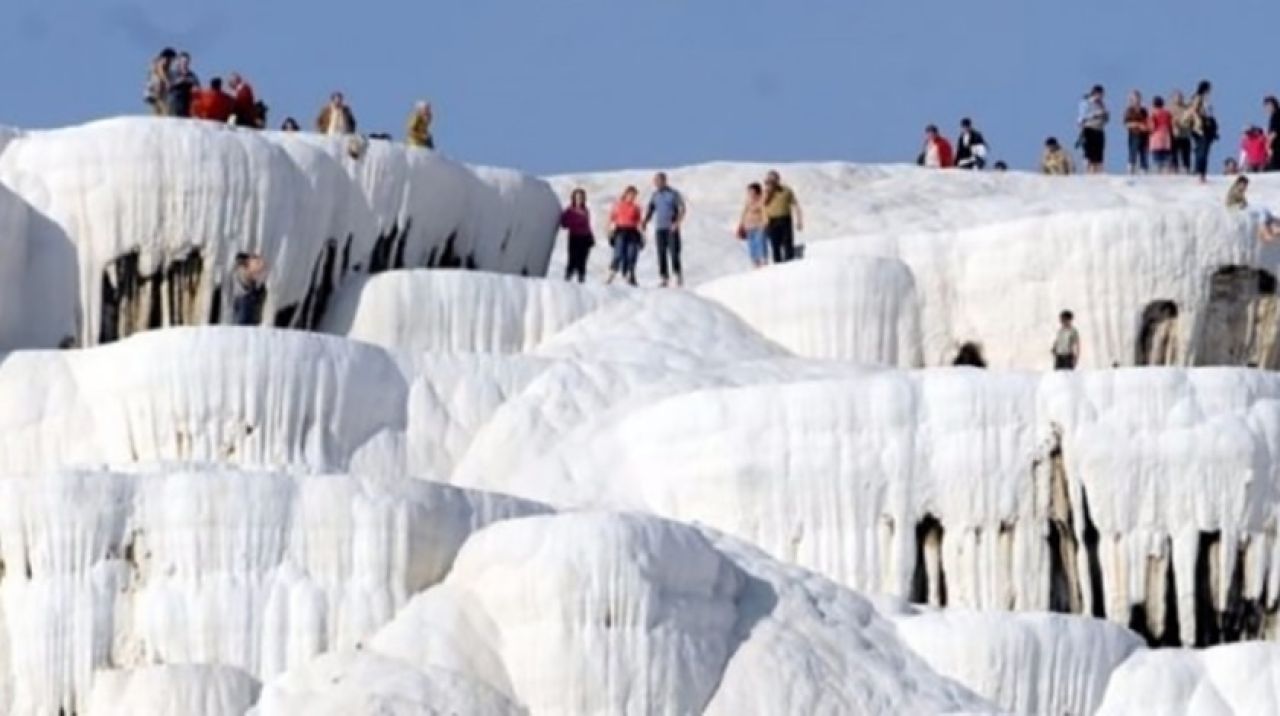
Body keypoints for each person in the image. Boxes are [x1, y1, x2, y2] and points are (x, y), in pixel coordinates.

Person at [641, 172, 687, 287]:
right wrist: (645, 222)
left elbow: (682, 209)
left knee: (674, 252)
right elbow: (650, 209)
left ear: (665, 181)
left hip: (671, 227)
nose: (657, 183)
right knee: (661, 253)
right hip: (660, 228)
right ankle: (664, 277)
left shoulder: (673, 194)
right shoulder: (655, 195)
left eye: (659, 181)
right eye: (655, 181)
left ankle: (677, 274)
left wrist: (677, 223)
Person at [763, 170, 803, 263]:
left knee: (787, 242)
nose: (771, 181)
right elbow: (763, 205)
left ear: (778, 179)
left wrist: (799, 220)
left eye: (773, 179)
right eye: (769, 179)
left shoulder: (787, 190)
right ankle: (778, 265)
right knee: (775, 244)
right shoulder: (766, 192)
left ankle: (790, 263)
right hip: (772, 220)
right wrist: (769, 192)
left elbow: (796, 205)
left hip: (785, 219)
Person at [607, 186, 644, 286]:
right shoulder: (618, 205)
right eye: (631, 195)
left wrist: (642, 236)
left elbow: (639, 222)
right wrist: (610, 232)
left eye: (634, 195)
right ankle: (611, 275)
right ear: (626, 194)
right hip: (620, 231)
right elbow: (611, 219)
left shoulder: (636, 207)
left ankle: (629, 275)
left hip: (633, 232)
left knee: (631, 254)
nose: (632, 197)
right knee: (618, 253)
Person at [560, 188, 594, 282]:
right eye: (578, 197)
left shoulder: (585, 210)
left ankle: (581, 281)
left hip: (585, 237)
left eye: (581, 197)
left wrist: (591, 236)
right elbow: (564, 224)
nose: (580, 199)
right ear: (574, 198)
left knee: (582, 261)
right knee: (572, 259)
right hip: (574, 237)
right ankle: (567, 280)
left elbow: (587, 225)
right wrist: (575, 222)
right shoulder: (569, 210)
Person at [1187, 80, 1217, 183]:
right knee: (1201, 150)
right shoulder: (1198, 98)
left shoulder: (1206, 100)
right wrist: (1199, 120)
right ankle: (1199, 172)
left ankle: (1202, 173)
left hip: (1207, 127)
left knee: (1205, 150)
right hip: (1199, 127)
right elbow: (1194, 111)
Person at [1077, 85, 1109, 174]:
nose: (1101, 96)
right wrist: (1095, 114)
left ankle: (1097, 173)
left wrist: (1105, 116)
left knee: (1099, 153)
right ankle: (1088, 172)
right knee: (1088, 153)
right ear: (1095, 93)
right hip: (1089, 129)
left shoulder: (1102, 104)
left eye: (1102, 95)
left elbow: (1105, 118)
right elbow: (1081, 117)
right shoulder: (1086, 102)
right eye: (1100, 94)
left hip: (1099, 129)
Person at [738, 182, 769, 268]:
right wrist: (741, 224)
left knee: (761, 244)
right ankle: (755, 264)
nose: (750, 193)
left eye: (752, 191)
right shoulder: (748, 201)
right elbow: (744, 213)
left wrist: (765, 223)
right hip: (749, 227)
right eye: (749, 191)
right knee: (751, 246)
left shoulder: (761, 201)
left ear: (757, 192)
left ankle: (764, 262)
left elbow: (764, 212)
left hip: (759, 226)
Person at [231, 253, 267, 325]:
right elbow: (245, 283)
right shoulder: (241, 270)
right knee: (243, 322)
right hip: (244, 298)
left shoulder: (239, 270)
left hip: (244, 298)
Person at [1123, 90, 1150, 174]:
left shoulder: (1144, 110)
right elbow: (1126, 124)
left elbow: (1148, 121)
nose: (1137, 100)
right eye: (1135, 98)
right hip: (1134, 135)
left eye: (1138, 98)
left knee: (1144, 154)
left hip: (1144, 135)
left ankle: (1144, 172)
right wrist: (1138, 125)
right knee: (1133, 153)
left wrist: (1146, 127)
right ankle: (1131, 172)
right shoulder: (1129, 110)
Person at [166, 52, 200, 119]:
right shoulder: (172, 73)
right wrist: (178, 82)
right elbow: (167, 87)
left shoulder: (192, 75)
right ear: (179, 62)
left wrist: (191, 84)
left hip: (187, 104)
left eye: (186, 62)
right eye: (183, 62)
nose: (185, 64)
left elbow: (198, 88)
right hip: (175, 103)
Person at [145, 48, 176, 116]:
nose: (171, 62)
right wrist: (166, 82)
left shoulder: (168, 70)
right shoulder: (159, 64)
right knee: (161, 109)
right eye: (170, 59)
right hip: (155, 93)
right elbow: (160, 71)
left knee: (162, 110)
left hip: (161, 95)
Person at [1149, 96, 1174, 174]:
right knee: (1166, 157)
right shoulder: (1167, 113)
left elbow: (1151, 126)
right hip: (1166, 137)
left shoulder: (1153, 114)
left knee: (1156, 158)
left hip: (1156, 138)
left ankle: (1158, 173)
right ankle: (1166, 171)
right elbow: (1171, 124)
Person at [1170, 90, 1193, 174]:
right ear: (1173, 98)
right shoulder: (1169, 108)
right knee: (1174, 153)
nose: (1179, 98)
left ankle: (1186, 168)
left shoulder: (1187, 108)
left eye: (1180, 97)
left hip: (1185, 134)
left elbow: (1191, 119)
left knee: (1186, 153)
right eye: (1177, 97)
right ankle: (1174, 169)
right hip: (1174, 135)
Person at [1266, 97, 1280, 172]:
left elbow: (1274, 133)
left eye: (1268, 106)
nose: (1267, 109)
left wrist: (1268, 146)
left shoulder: (1276, 115)